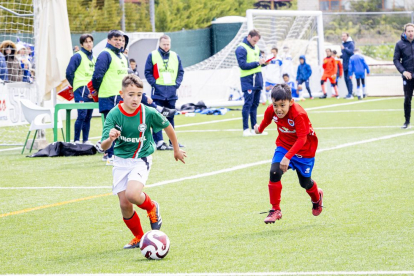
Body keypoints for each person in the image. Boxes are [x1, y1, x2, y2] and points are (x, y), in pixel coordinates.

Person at [100, 74, 186, 249]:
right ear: (121, 94)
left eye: (139, 94)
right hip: (120, 162)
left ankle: (152, 207)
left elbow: (168, 126)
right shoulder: (114, 114)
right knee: (124, 204)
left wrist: (175, 149)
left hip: (141, 159)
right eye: (131, 94)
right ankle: (139, 237)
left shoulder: (148, 112)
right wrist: (110, 138)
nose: (135, 98)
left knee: (132, 195)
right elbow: (103, 145)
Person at [253, 83, 323, 223]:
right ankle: (275, 209)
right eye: (275, 105)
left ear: (291, 102)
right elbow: (266, 121)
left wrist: (287, 158)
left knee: (305, 183)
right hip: (284, 146)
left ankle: (317, 197)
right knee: (274, 172)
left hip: (304, 150)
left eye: (282, 105)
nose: (278, 109)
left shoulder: (299, 114)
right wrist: (259, 129)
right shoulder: (271, 110)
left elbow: (302, 139)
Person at [91, 30, 129, 165]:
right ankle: (109, 154)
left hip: (121, 96)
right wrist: (97, 89)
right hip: (109, 95)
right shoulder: (105, 54)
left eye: (122, 40)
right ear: (109, 40)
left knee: (123, 125)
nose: (119, 42)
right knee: (110, 126)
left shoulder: (123, 57)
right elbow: (97, 76)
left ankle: (119, 153)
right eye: (116, 39)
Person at [144, 35, 185, 150]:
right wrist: (155, 84)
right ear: (160, 44)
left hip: (171, 92)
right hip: (158, 92)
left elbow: (181, 72)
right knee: (157, 117)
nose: (166, 47)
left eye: (168, 44)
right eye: (164, 44)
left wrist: (176, 84)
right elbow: (148, 72)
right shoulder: (152, 55)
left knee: (170, 116)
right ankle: (159, 142)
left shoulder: (175, 56)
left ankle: (173, 142)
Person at [235, 29, 268, 137]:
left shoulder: (257, 48)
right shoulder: (241, 48)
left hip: (257, 79)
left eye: (256, 41)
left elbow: (259, 63)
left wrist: (264, 63)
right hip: (248, 79)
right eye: (254, 40)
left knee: (255, 104)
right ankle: (245, 129)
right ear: (249, 37)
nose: (255, 43)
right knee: (248, 104)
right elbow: (243, 65)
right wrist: (257, 62)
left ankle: (255, 128)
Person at [66, 34, 96, 145]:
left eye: (90, 41)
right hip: (81, 89)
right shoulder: (77, 56)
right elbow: (69, 73)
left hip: (91, 90)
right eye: (86, 42)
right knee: (82, 115)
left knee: (88, 116)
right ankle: (76, 140)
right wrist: (76, 86)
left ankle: (86, 140)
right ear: (81, 44)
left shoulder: (94, 58)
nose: (89, 44)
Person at [393, 23, 414, 129]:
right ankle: (407, 122)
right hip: (408, 76)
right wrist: (403, 72)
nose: (411, 33)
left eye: (412, 31)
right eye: (409, 31)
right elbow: (396, 60)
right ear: (405, 32)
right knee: (407, 99)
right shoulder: (400, 44)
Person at [340, 33, 355, 99]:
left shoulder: (351, 43)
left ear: (347, 36)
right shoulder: (343, 44)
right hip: (345, 64)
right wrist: (339, 56)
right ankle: (348, 93)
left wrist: (344, 49)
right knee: (345, 79)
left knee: (349, 79)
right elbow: (344, 55)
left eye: (344, 36)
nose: (343, 37)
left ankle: (350, 94)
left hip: (350, 65)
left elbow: (351, 52)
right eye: (342, 36)